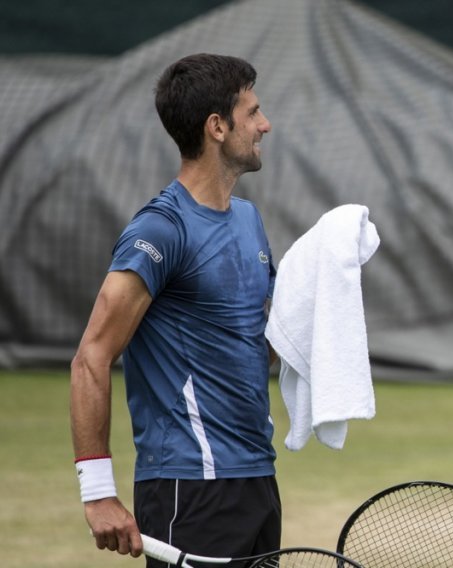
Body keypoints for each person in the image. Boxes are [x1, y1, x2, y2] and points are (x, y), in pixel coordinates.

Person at [70, 53, 280, 565]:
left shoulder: (249, 219)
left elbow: (259, 347)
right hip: (188, 488)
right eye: (252, 112)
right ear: (216, 127)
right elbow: (91, 357)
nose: (264, 124)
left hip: (257, 479)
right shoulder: (160, 230)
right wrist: (97, 492)